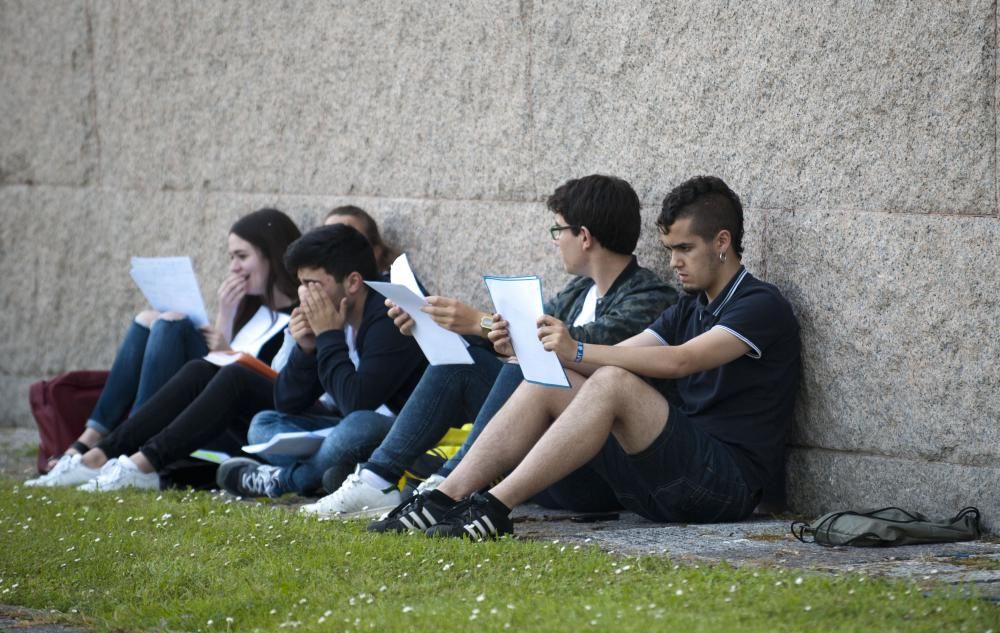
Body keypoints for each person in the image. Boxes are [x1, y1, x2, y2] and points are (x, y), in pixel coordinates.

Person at [372, 175, 801, 539]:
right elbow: (620, 354)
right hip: (659, 480)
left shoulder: (759, 304)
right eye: (669, 250)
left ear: (722, 241)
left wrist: (573, 348)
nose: (673, 263)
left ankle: (490, 507)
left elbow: (680, 361)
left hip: (724, 486)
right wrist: (544, 352)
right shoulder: (686, 309)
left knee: (611, 380)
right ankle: (445, 496)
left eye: (684, 249)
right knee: (550, 376)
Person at [316, 174, 678, 517]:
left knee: (521, 367)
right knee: (463, 364)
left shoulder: (650, 297)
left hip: (596, 473)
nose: (555, 240)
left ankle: (448, 487)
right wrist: (428, 323)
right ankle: (377, 480)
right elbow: (516, 340)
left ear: (583, 236)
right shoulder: (578, 292)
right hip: (538, 458)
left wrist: (479, 322)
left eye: (558, 229)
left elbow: (571, 349)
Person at [26, 208, 302, 489]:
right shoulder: (252, 309)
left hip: (234, 418)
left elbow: (255, 381)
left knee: (173, 325)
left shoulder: (296, 319)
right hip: (207, 399)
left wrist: (225, 348)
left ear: (271, 255)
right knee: (147, 320)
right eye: (231, 257)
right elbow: (218, 361)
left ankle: (121, 450)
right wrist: (226, 314)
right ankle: (90, 441)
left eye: (242, 256)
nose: (233, 267)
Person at [215, 224, 428, 500]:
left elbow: (357, 403)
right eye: (301, 284)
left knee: (358, 427)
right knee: (263, 424)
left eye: (312, 284)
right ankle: (338, 473)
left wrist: (329, 335)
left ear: (352, 282)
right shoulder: (335, 318)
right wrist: (307, 349)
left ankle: (286, 480)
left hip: (407, 432)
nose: (305, 295)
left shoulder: (387, 314)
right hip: (346, 430)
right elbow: (287, 403)